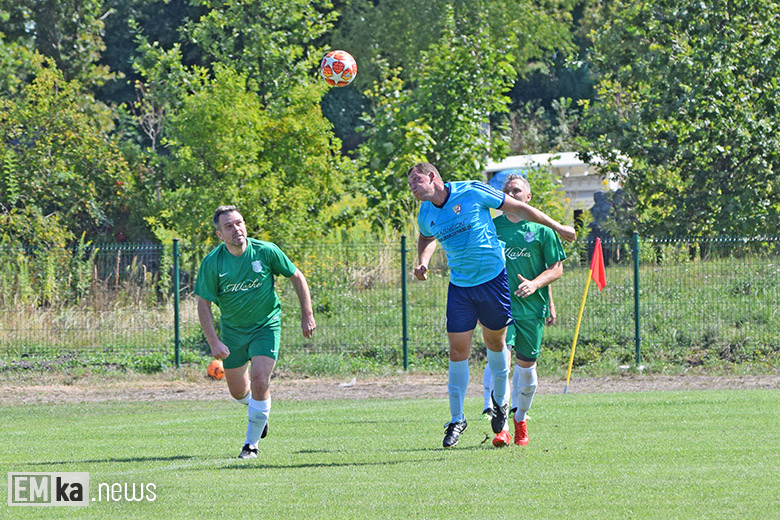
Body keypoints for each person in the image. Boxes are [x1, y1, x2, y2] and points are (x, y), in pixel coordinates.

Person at [407, 163, 575, 449]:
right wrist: (422, 260)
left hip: (492, 281)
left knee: (495, 345)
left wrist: (557, 227)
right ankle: (457, 419)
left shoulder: (471, 190)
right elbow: (426, 237)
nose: (412, 186)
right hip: (460, 286)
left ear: (432, 177)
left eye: (415, 180)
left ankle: (501, 405)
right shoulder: (426, 213)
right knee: (457, 351)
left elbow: (520, 209)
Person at [194, 205, 316, 459]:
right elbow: (203, 304)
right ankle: (258, 412)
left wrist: (307, 315)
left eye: (239, 223)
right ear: (220, 235)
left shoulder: (265, 250)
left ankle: (251, 445)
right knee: (239, 392)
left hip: (265, 327)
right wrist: (214, 342)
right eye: (228, 226)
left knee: (260, 380)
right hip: (233, 332)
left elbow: (297, 276)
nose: (236, 229)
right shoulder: (212, 263)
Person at [494, 174, 566, 446]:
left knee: (527, 372)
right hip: (500, 307)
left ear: (528, 197)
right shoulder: (492, 228)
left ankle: (520, 418)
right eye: (506, 191)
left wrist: (536, 285)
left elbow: (555, 268)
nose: (510, 194)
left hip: (532, 310)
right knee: (500, 363)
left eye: (516, 190)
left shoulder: (542, 230)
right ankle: (500, 426)